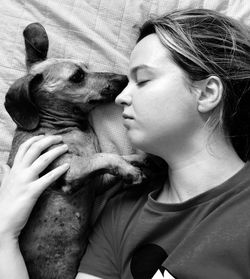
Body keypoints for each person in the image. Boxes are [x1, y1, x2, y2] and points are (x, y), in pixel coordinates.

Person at [1, 8, 250, 279]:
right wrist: (4, 235)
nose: (121, 96)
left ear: (208, 92)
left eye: (142, 80)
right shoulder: (119, 215)